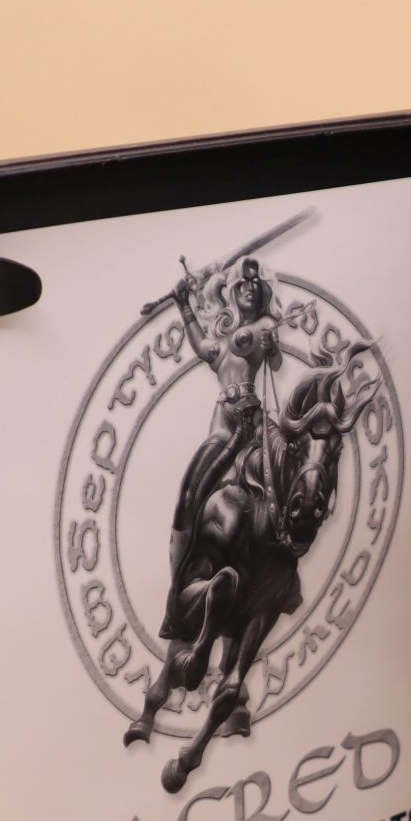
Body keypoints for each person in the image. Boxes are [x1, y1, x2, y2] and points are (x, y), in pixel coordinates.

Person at [161, 257, 283, 638]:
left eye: (256, 284)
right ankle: (177, 593)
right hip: (221, 425)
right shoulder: (223, 337)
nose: (250, 288)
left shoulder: (264, 326)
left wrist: (271, 347)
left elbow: (275, 360)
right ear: (233, 290)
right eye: (243, 283)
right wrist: (183, 304)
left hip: (250, 421)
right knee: (187, 495)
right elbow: (203, 348)